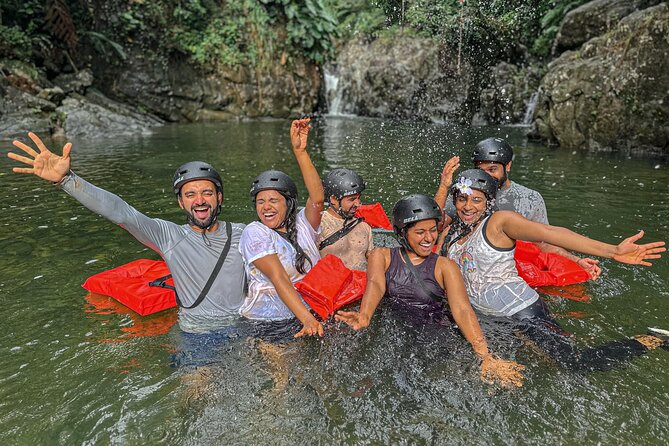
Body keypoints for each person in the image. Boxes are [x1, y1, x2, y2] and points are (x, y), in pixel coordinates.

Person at [8, 133, 246, 335]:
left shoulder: (245, 234)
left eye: (207, 192)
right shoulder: (169, 236)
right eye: (190, 194)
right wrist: (67, 180)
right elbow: (122, 213)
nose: (200, 200)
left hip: (242, 330)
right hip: (197, 336)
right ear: (181, 203)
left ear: (219, 198)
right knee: (197, 387)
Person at [444, 168, 667, 371]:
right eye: (462, 199)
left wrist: (612, 251)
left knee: (575, 364)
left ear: (488, 202)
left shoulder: (498, 223)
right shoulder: (454, 235)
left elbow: (548, 232)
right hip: (492, 318)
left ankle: (652, 340)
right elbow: (424, 230)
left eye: (476, 200)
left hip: (523, 312)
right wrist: (444, 185)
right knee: (534, 365)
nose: (468, 206)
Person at [335, 194, 525, 387]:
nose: (428, 238)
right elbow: (375, 283)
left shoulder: (445, 266)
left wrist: (485, 356)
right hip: (393, 336)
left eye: (433, 230)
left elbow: (462, 310)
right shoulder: (382, 256)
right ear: (402, 233)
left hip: (434, 339)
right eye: (420, 232)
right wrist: (365, 315)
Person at [239, 118, 325, 338]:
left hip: (308, 315)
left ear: (289, 204)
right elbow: (279, 278)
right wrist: (307, 319)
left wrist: (300, 152)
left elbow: (317, 199)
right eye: (260, 202)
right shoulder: (254, 232)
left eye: (273, 200)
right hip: (267, 323)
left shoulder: (302, 225)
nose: (266, 207)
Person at [318, 168, 373, 271]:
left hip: (361, 284)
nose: (358, 204)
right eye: (352, 199)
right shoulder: (318, 224)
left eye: (358, 198)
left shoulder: (364, 227)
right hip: (331, 285)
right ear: (333, 199)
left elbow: (373, 264)